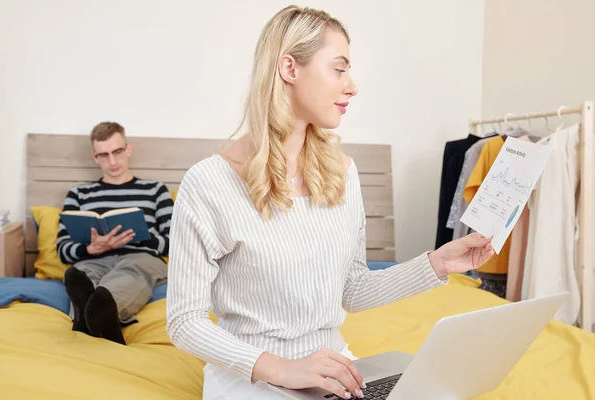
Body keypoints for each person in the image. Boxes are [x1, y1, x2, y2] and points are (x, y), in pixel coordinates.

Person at [166, 5, 494, 400]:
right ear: (289, 69)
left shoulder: (342, 173)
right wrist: (284, 370)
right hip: (250, 376)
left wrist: (437, 263)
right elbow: (184, 322)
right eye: (338, 69)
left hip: (335, 369)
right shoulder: (209, 183)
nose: (352, 86)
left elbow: (353, 290)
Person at [58, 122, 173, 345]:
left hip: (141, 256)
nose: (112, 161)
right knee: (81, 274)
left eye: (117, 151)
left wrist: (137, 235)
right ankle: (100, 319)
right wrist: (90, 248)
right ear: (94, 157)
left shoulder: (155, 190)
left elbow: (174, 242)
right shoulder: (79, 194)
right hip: (94, 258)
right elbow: (63, 249)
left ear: (128, 149)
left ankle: (93, 314)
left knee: (131, 271)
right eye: (103, 155)